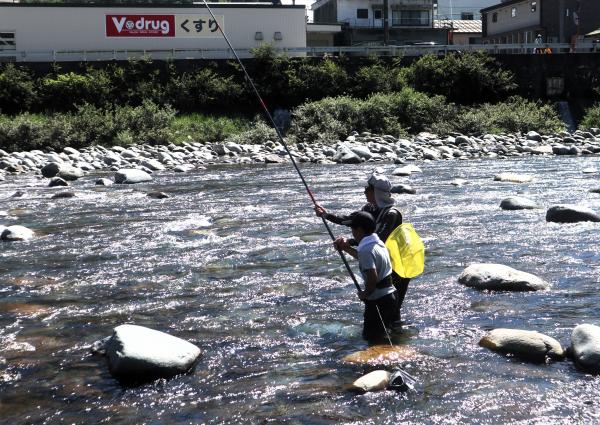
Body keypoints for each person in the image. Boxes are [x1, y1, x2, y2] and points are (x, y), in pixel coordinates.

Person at [315, 169, 410, 314]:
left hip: (399, 267)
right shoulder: (368, 208)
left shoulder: (392, 214)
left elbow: (378, 241)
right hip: (382, 261)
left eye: (368, 189)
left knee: (392, 308)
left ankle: (394, 330)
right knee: (377, 305)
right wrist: (326, 215)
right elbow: (351, 220)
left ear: (377, 192)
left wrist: (350, 243)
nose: (364, 192)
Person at [333, 211, 400, 342]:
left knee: (372, 339)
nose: (352, 232)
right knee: (387, 336)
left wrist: (365, 293)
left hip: (378, 300)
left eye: (352, 228)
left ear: (359, 229)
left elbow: (372, 277)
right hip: (391, 297)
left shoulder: (366, 249)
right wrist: (346, 248)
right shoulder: (378, 243)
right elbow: (366, 260)